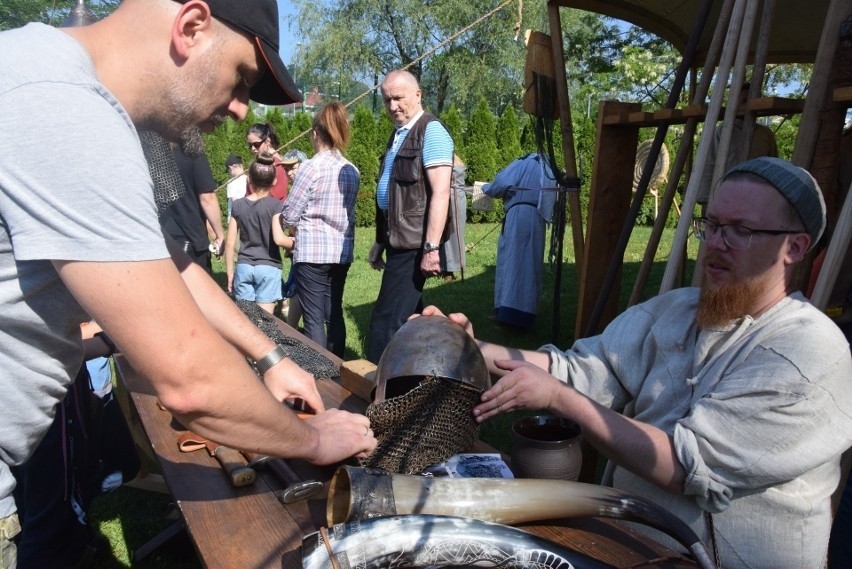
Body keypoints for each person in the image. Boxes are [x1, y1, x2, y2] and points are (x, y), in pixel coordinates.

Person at [0, 1, 376, 563]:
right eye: (243, 78)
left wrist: (271, 359)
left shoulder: (45, 75)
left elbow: (171, 266)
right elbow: (189, 379)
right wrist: (316, 440)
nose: (243, 111)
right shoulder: (62, 107)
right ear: (192, 27)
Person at [423, 157, 852, 568]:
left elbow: (684, 466)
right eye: (713, 224)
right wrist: (469, 346)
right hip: (635, 544)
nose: (715, 244)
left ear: (794, 248)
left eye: (740, 230)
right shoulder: (678, 310)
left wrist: (559, 399)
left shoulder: (805, 351)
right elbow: (582, 370)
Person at [366, 69, 454, 363]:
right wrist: (381, 240)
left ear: (418, 95)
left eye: (399, 98)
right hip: (399, 241)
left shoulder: (432, 131)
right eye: (387, 100)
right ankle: (421, 373)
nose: (392, 106)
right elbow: (393, 196)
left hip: (414, 246)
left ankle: (374, 388)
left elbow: (441, 193)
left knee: (387, 321)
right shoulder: (399, 134)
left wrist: (430, 249)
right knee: (414, 317)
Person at [278, 103, 359, 357]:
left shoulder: (311, 168)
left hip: (313, 253)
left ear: (315, 134)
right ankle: (338, 367)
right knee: (334, 313)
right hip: (340, 252)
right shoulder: (352, 170)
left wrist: (290, 223)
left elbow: (289, 213)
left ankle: (320, 374)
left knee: (313, 319)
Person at [483, 152, 558, 329]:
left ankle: (512, 317)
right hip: (536, 217)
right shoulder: (548, 166)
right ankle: (518, 313)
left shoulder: (525, 161)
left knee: (514, 265)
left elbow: (500, 184)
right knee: (529, 266)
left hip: (520, 216)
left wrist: (486, 188)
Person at [225, 152, 288, 314]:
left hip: (244, 266)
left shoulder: (238, 205)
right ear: (274, 181)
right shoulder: (276, 206)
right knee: (265, 323)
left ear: (250, 180)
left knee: (247, 321)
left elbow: (230, 242)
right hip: (268, 267)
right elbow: (278, 238)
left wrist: (230, 272)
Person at [697, 82, 778, 206]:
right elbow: (709, 162)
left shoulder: (765, 134)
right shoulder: (723, 131)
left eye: (753, 101)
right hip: (726, 194)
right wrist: (706, 197)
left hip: (757, 197)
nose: (748, 105)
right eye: (744, 100)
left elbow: (774, 167)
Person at [159, 143, 225, 272]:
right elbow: (207, 198)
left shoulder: (153, 153)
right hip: (190, 239)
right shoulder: (193, 153)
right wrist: (220, 235)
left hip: (162, 236)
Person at [278, 148, 310, 329]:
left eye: (293, 167)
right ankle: (293, 329)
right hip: (298, 248)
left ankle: (295, 330)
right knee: (297, 289)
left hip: (307, 248)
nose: (289, 173)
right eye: (286, 169)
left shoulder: (308, 187)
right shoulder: (295, 189)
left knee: (300, 290)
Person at [439, 154, 467, 282]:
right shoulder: (457, 161)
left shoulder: (447, 160)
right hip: (458, 197)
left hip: (450, 198)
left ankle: (447, 270)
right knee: (453, 234)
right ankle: (448, 267)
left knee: (448, 234)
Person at [246, 122, 289, 201]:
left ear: (267, 142)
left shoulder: (277, 166)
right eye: (250, 145)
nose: (253, 148)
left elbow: (276, 199)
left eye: (256, 144)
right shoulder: (257, 163)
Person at [225, 154, 247, 222]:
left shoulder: (231, 183)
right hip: (248, 216)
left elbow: (235, 203)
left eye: (228, 170)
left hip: (235, 218)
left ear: (231, 167)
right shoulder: (249, 179)